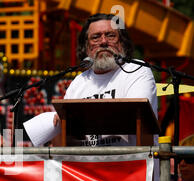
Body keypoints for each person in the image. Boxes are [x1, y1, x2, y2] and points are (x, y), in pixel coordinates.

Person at [52, 13, 158, 147]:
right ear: (86, 46)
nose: (103, 42)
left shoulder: (136, 69)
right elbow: (65, 134)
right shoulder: (79, 82)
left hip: (132, 165)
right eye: (95, 37)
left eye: (110, 35)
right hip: (86, 166)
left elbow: (133, 115)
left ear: (122, 42)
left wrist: (76, 118)